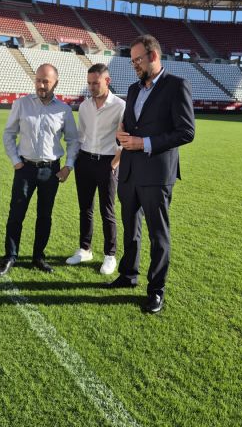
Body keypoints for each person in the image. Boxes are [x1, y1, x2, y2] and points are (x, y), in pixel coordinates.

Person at [106, 35, 195, 314]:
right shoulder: (133, 89)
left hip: (157, 173)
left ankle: (156, 290)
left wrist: (144, 143)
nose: (134, 65)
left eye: (138, 60)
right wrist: (123, 134)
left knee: (159, 235)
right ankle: (128, 274)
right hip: (130, 171)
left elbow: (186, 132)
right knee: (130, 228)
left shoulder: (176, 86)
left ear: (153, 56)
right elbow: (131, 124)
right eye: (132, 61)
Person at [0, 63, 79, 276]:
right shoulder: (21, 104)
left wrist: (68, 167)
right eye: (38, 80)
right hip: (25, 168)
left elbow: (72, 140)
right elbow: (8, 134)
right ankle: (10, 256)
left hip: (51, 171)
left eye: (46, 81)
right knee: (16, 213)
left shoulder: (64, 110)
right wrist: (15, 160)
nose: (41, 85)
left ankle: (38, 257)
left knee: (45, 215)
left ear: (55, 83)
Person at [65, 63, 125, 275]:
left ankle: (110, 255)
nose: (91, 86)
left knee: (107, 210)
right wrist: (74, 161)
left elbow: (124, 139)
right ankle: (85, 249)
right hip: (85, 161)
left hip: (108, 162)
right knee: (85, 208)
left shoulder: (119, 106)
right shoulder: (84, 106)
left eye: (95, 83)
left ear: (107, 81)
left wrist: (114, 163)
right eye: (89, 83)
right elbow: (81, 136)